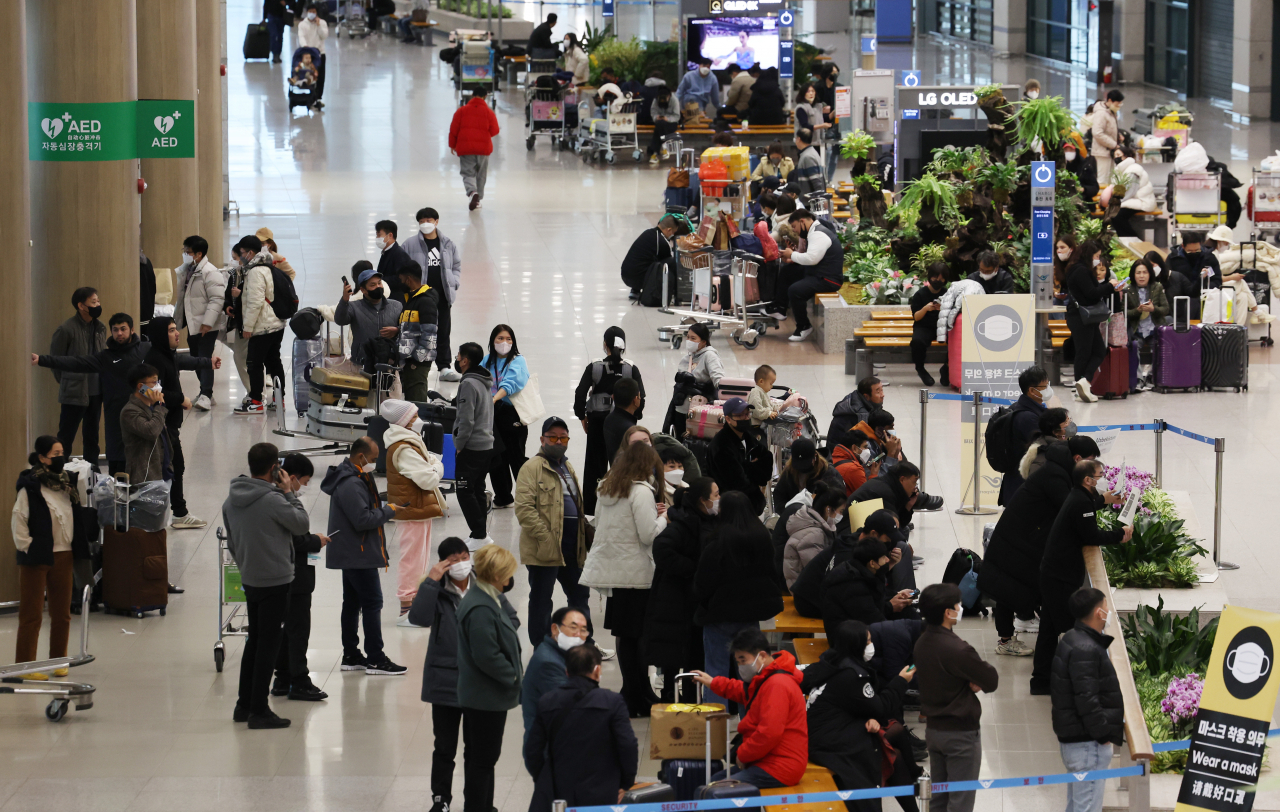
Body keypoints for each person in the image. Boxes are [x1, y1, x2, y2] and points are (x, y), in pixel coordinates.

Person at [409, 537, 520, 812]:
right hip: (445, 679)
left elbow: (512, 619)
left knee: (479, 751)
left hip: (477, 682)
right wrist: (430, 583)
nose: (460, 564)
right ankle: (441, 800)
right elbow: (419, 619)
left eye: (463, 557)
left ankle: (482, 803)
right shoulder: (436, 589)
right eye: (453, 560)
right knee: (445, 746)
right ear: (443, 563)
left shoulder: (484, 584)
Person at [980, 435, 1100, 658]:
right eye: (1090, 461)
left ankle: (1018, 628)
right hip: (1016, 539)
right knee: (1007, 588)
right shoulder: (1055, 475)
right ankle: (1006, 640)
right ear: (1077, 458)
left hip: (1022, 537)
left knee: (1011, 586)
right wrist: (1102, 501)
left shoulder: (1058, 468)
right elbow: (1070, 506)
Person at [222, 442, 312, 728]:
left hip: (250, 577)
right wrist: (289, 493)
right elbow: (301, 525)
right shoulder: (274, 499)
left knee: (255, 642)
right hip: (276, 579)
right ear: (275, 468)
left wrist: (247, 566)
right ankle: (259, 710)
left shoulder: (231, 500)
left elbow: (233, 543)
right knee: (268, 647)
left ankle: (244, 704)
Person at [580, 441, 668, 716]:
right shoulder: (640, 491)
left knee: (625, 637)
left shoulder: (608, 488)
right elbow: (648, 534)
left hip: (615, 572)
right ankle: (639, 694)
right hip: (636, 573)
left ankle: (632, 693)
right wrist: (666, 518)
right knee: (638, 637)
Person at [1032, 460, 1131, 694]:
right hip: (1060, 576)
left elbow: (1086, 507)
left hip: (1054, 571)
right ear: (1088, 480)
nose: (1102, 478)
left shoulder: (1079, 495)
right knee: (1068, 627)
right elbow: (1090, 535)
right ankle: (1067, 679)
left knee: (1048, 627)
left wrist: (1105, 499)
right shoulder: (1080, 501)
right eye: (1099, 475)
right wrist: (1120, 534)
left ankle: (1042, 680)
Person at [801, 620, 919, 812]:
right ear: (856, 645)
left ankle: (915, 775)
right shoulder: (852, 675)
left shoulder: (831, 660)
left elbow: (864, 705)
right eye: (868, 642)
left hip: (826, 728)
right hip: (828, 741)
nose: (871, 646)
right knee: (891, 754)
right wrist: (901, 681)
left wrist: (870, 716)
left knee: (896, 731)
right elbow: (880, 708)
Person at [321, 437, 407, 676]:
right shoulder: (350, 483)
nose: (374, 462)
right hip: (358, 554)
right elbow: (363, 519)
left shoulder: (356, 477)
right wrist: (388, 511)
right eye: (373, 458)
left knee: (352, 603)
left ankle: (351, 655)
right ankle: (376, 658)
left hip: (353, 552)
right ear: (360, 457)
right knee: (371, 603)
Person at [914, 583, 999, 812]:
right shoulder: (957, 649)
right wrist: (973, 681)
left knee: (939, 801)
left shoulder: (922, 642)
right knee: (960, 802)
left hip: (934, 731)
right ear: (947, 612)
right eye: (958, 605)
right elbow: (991, 679)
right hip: (960, 735)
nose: (960, 608)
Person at [694, 492, 783, 708]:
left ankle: (714, 729)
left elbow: (703, 582)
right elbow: (773, 573)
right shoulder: (762, 537)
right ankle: (751, 722)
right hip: (751, 616)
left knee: (715, 673)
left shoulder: (717, 541)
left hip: (719, 616)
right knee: (751, 672)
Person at [12, 436, 92, 677]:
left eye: (62, 453)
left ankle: (58, 660)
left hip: (64, 554)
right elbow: (19, 521)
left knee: (61, 613)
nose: (61, 458)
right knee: (32, 614)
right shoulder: (30, 487)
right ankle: (25, 665)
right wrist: (29, 547)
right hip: (37, 558)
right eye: (55, 453)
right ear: (43, 458)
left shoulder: (68, 485)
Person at [35, 312, 151, 477]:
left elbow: (169, 363)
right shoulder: (105, 357)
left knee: (140, 464)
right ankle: (117, 500)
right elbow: (76, 362)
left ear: (132, 330)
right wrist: (42, 360)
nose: (119, 333)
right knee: (116, 467)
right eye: (115, 329)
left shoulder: (146, 350)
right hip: (115, 418)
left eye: (123, 329)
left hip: (141, 415)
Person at [525, 644, 638, 812]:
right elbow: (627, 745)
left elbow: (533, 749)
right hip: (602, 792)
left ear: (567, 672)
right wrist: (626, 783)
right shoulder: (612, 702)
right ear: (597, 670)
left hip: (559, 790)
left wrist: (542, 778)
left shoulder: (548, 701)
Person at [689, 628, 808, 788]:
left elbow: (769, 733)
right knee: (711, 782)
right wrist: (713, 682)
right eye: (738, 662)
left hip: (780, 767)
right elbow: (744, 691)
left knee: (714, 789)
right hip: (766, 759)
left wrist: (743, 754)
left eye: (743, 660)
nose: (741, 666)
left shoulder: (777, 684)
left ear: (762, 656)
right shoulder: (767, 678)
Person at [455, 543, 523, 812]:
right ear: (496, 575)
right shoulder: (481, 607)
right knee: (482, 760)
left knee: (481, 759)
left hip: (482, 695)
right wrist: (515, 678)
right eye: (507, 573)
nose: (510, 579)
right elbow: (487, 656)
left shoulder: (486, 596)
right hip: (485, 697)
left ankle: (485, 806)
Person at [516, 417, 593, 648]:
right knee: (541, 599)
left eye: (563, 437)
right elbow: (523, 509)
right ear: (542, 439)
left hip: (572, 545)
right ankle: (541, 646)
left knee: (580, 596)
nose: (558, 442)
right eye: (553, 437)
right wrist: (546, 537)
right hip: (545, 547)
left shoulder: (567, 466)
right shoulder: (531, 468)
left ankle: (584, 644)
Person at [644, 476, 717, 701]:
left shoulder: (704, 520)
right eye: (715, 495)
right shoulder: (686, 522)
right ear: (702, 500)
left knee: (690, 654)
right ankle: (672, 701)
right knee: (675, 654)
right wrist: (693, 569)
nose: (718, 499)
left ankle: (690, 701)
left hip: (688, 601)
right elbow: (662, 548)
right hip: (675, 600)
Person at [143, 317, 219, 530]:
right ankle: (176, 513)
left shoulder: (166, 355)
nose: (177, 334)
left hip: (169, 423)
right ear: (160, 335)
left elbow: (185, 361)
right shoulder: (155, 360)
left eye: (176, 329)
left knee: (175, 465)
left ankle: (176, 512)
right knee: (171, 467)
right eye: (171, 330)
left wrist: (208, 362)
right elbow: (149, 391)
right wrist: (181, 399)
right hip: (161, 424)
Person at [1052, 587, 1123, 812]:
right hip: (1087, 743)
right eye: (1106, 606)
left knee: (1076, 806)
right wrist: (1103, 735)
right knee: (1087, 807)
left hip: (1077, 741)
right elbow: (1087, 698)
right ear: (1098, 612)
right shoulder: (1086, 648)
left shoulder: (1073, 638)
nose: (1109, 611)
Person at [269, 454, 329, 702]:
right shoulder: (283, 501)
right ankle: (299, 681)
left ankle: (283, 677)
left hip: (282, 575)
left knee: (286, 630)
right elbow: (293, 537)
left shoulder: (271, 499)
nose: (303, 488)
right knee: (298, 629)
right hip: (294, 575)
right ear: (291, 478)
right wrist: (316, 540)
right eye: (303, 482)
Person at [379, 399, 445, 622]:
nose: (419, 420)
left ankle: (416, 603)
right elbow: (428, 478)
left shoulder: (407, 440)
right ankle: (406, 608)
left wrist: (433, 466)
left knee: (420, 557)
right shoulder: (404, 447)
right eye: (415, 416)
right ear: (405, 421)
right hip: (412, 508)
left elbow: (429, 464)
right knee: (412, 558)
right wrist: (437, 468)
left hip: (418, 507)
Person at [574, 326, 646, 512]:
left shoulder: (595, 367)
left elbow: (580, 394)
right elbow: (642, 397)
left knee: (594, 466)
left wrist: (582, 416)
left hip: (597, 422)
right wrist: (634, 417)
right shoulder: (631, 368)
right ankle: (623, 503)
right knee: (623, 464)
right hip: (624, 424)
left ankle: (591, 507)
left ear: (605, 344)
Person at [403, 208, 463, 382]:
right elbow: (402, 267)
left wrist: (454, 282)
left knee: (443, 331)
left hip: (443, 295)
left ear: (436, 221)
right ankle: (411, 362)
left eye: (428, 220)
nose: (425, 224)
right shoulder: (409, 244)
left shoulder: (448, 244)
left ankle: (444, 367)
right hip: (421, 297)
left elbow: (456, 266)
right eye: (421, 221)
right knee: (415, 330)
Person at [50, 288, 107, 469]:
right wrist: (68, 382)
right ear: (81, 306)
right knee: (66, 435)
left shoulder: (100, 328)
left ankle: (93, 473)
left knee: (92, 436)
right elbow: (56, 361)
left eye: (98, 301)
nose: (98, 305)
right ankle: (59, 471)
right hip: (74, 392)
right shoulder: (66, 329)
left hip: (96, 392)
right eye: (93, 302)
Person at [1065, 239, 1126, 402]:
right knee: (1085, 352)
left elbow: (1092, 292)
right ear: (1089, 255)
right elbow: (1091, 293)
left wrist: (1112, 288)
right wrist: (1110, 285)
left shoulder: (1078, 269)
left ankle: (1084, 382)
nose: (1098, 259)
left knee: (1097, 350)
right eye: (1097, 256)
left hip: (1084, 317)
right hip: (1081, 317)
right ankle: (1081, 385)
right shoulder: (1081, 271)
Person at [232, 236, 287, 414]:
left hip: (263, 326)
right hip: (276, 324)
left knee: (254, 363)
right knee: (273, 362)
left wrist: (247, 327)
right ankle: (279, 400)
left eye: (241, 253)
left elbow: (254, 302)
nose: (241, 257)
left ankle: (256, 401)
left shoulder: (255, 272)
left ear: (250, 253)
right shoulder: (268, 266)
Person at [173, 236, 226, 411]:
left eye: (188, 252)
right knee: (196, 357)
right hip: (193, 323)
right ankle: (206, 393)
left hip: (206, 325)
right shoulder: (189, 269)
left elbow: (217, 299)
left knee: (204, 356)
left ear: (198, 254)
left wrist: (208, 323)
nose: (185, 255)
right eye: (184, 251)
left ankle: (206, 393)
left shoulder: (210, 272)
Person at [521, 606, 589, 739]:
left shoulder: (563, 655)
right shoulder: (548, 663)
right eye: (573, 628)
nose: (578, 635)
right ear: (554, 629)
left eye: (583, 630)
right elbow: (568, 706)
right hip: (549, 746)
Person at [451, 342, 495, 548]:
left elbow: (466, 420)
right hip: (486, 445)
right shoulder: (483, 381)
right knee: (477, 489)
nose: (457, 359)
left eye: (459, 356)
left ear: (466, 360)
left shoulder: (468, 384)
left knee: (464, 490)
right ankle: (480, 533)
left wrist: (459, 444)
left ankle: (479, 535)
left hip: (472, 446)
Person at [822, 538, 915, 635]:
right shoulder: (852, 584)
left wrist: (897, 595)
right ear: (872, 563)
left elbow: (874, 600)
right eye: (884, 557)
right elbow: (873, 619)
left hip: (860, 626)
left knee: (907, 613)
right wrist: (891, 607)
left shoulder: (863, 571)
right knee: (903, 633)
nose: (888, 560)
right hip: (849, 639)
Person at [482, 325, 530, 508]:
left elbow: (511, 383)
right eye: (500, 338)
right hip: (492, 414)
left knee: (516, 456)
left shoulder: (518, 361)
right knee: (496, 457)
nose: (505, 342)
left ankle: (527, 496)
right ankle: (503, 496)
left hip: (512, 413)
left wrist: (494, 398)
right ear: (493, 341)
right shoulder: (487, 361)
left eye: (509, 339)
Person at [778, 209, 843, 340]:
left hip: (829, 279)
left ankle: (804, 326)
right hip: (818, 273)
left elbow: (812, 259)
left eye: (794, 226)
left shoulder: (818, 234)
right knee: (787, 271)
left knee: (795, 290)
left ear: (802, 222)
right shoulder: (814, 231)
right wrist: (792, 258)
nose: (794, 230)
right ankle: (779, 308)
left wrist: (792, 254)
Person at [996, 366, 1051, 505]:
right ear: (1032, 390)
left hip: (1020, 483)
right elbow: (1049, 446)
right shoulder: (1028, 417)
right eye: (1045, 387)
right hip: (1022, 486)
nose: (1048, 390)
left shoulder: (1024, 408)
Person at [708, 398, 771, 515]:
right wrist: (752, 469)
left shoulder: (747, 436)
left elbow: (766, 462)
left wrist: (747, 468)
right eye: (740, 415)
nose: (746, 418)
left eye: (747, 414)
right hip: (732, 506)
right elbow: (736, 482)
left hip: (748, 502)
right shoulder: (721, 446)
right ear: (728, 419)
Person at [338, 266, 405, 374]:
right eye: (373, 285)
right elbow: (340, 320)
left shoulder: (396, 306)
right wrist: (344, 301)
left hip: (389, 365)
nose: (378, 287)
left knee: (393, 391)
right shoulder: (354, 307)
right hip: (360, 365)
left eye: (379, 283)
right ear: (363, 290)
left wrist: (397, 330)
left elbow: (408, 328)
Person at [392, 261, 440, 402]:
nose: (399, 283)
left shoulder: (426, 302)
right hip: (408, 362)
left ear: (408, 279)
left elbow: (430, 336)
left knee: (417, 403)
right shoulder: (410, 300)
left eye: (400, 279)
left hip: (417, 363)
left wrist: (415, 360)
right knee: (409, 401)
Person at [782, 482, 844, 589]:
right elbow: (818, 571)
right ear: (828, 509)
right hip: (806, 594)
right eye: (841, 511)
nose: (841, 515)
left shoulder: (816, 526)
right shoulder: (813, 534)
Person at [665, 323, 723, 436]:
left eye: (693, 338)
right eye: (688, 337)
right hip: (680, 409)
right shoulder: (687, 358)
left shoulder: (709, 356)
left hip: (699, 412)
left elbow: (719, 379)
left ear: (703, 341)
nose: (689, 341)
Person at [119, 363, 170, 489]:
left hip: (162, 473)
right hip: (145, 477)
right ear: (141, 387)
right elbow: (151, 431)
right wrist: (159, 407)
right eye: (154, 382)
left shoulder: (151, 408)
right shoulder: (129, 411)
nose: (158, 386)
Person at [449, 87, 500, 211]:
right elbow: (495, 130)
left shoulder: (461, 111)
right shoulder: (489, 112)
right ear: (485, 97)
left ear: (472, 95)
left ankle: (472, 193)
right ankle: (478, 199)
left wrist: (452, 144)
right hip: (483, 148)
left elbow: (453, 129)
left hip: (466, 147)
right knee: (481, 173)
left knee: (468, 172)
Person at [1125, 260, 1169, 390]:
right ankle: (1137, 379)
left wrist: (1153, 309)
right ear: (1133, 274)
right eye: (1138, 273)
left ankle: (1152, 377)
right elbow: (1123, 312)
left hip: (1153, 328)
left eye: (1145, 272)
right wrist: (1137, 311)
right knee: (1133, 347)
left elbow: (1166, 309)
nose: (1141, 276)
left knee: (1160, 347)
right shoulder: (1127, 290)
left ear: (1150, 274)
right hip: (1136, 330)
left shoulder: (1157, 287)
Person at [773, 437, 844, 508]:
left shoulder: (829, 473)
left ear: (814, 458)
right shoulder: (790, 470)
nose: (801, 468)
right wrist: (788, 512)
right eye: (798, 464)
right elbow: (779, 496)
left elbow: (837, 501)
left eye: (804, 464)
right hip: (794, 516)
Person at [1166, 232, 1222, 320]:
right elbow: (1168, 279)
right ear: (1183, 246)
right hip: (1180, 299)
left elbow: (1217, 280)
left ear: (1201, 245)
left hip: (1204, 297)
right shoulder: (1173, 259)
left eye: (1197, 250)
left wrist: (1203, 287)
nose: (1194, 253)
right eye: (1190, 251)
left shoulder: (1209, 258)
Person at [620, 215, 678, 299]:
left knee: (644, 261)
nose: (673, 235)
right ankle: (672, 291)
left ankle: (635, 290)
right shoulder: (662, 242)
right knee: (671, 262)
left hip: (625, 274)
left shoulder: (648, 232)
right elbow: (667, 265)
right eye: (673, 232)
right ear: (669, 230)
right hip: (637, 279)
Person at [909, 263, 949, 386]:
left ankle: (947, 368)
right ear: (930, 277)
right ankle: (920, 368)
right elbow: (916, 317)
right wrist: (926, 308)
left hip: (943, 327)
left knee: (958, 340)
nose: (938, 281)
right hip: (924, 326)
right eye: (935, 278)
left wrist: (943, 308)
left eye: (942, 278)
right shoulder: (920, 294)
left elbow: (953, 313)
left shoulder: (947, 294)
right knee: (917, 342)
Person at [601, 378, 642, 470]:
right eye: (639, 396)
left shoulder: (609, 419)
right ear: (635, 400)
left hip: (616, 474)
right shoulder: (630, 430)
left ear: (613, 397)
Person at [374, 219, 419, 301]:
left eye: (379, 235)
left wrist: (379, 280)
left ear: (390, 235)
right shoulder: (386, 252)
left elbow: (401, 279)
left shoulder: (399, 254)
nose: (377, 238)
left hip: (397, 299)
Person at [830, 430, 881, 496]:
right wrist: (873, 475)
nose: (867, 451)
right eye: (865, 447)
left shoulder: (834, 458)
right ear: (854, 448)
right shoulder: (854, 469)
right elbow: (869, 497)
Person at [1089, 90, 1123, 183]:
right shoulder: (1101, 113)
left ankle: (1108, 197)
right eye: (1117, 104)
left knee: (1110, 179)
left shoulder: (1111, 111)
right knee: (1102, 180)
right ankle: (1101, 197)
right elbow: (1097, 133)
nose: (1118, 106)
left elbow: (1109, 128)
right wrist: (1113, 144)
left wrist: (1117, 135)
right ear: (1110, 100)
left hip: (1109, 152)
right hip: (1102, 152)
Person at [646, 85, 680, 165]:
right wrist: (656, 117)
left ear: (669, 96)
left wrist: (667, 118)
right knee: (660, 124)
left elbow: (677, 116)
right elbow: (653, 112)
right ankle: (665, 147)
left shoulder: (674, 100)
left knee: (658, 128)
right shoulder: (655, 100)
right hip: (660, 122)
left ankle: (655, 153)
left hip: (671, 123)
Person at [790, 130, 825, 200]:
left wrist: (821, 200)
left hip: (809, 203)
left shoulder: (808, 156)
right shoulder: (809, 153)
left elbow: (816, 182)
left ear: (798, 139)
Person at [1063, 140, 1099, 208]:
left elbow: (1094, 188)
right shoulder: (1059, 165)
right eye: (1066, 150)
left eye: (1071, 150)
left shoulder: (1085, 166)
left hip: (1083, 202)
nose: (1068, 152)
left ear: (1076, 150)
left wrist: (1083, 189)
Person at [1053, 234, 1078, 303]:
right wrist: (1055, 293)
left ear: (1071, 249)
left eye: (1062, 247)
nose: (1059, 251)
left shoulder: (1078, 265)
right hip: (1061, 297)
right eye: (1057, 248)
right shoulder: (1056, 266)